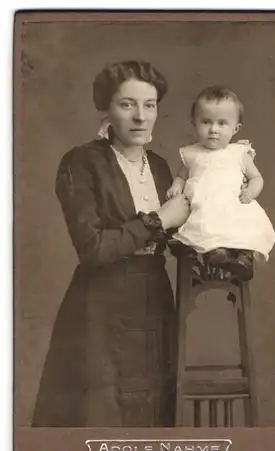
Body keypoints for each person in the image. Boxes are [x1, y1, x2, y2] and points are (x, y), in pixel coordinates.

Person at [32, 60, 190, 427]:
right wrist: (159, 220)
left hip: (154, 302)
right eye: (127, 104)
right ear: (105, 109)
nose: (140, 116)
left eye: (149, 105)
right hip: (100, 310)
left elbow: (177, 237)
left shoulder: (163, 167)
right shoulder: (81, 163)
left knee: (151, 417)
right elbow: (94, 248)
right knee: (99, 419)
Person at [166, 85, 275, 280]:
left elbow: (257, 178)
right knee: (204, 228)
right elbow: (182, 176)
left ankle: (243, 258)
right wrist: (176, 186)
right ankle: (217, 254)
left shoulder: (239, 153)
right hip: (203, 205)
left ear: (236, 128)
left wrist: (250, 192)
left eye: (222, 123)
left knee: (244, 229)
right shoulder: (192, 153)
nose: (213, 130)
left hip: (231, 204)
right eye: (206, 122)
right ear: (194, 123)